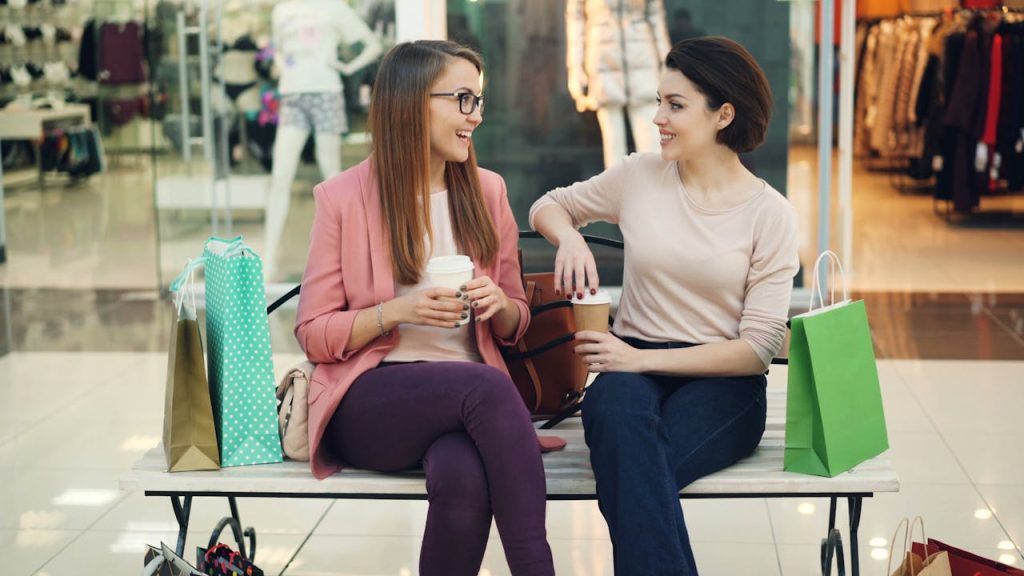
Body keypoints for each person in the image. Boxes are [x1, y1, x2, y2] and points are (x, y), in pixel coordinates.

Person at [530, 36, 799, 575]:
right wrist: (572, 237)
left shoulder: (770, 214)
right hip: (630, 368)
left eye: (675, 105)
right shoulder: (639, 176)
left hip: (723, 384)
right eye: (659, 101)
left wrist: (640, 359)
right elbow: (549, 205)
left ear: (724, 114)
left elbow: (756, 351)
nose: (657, 118)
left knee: (632, 468)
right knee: (621, 427)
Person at [294, 40, 556, 576]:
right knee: (482, 387)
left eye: (479, 101)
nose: (476, 116)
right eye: (463, 99)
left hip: (468, 407)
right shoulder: (342, 197)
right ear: (412, 101)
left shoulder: (487, 191)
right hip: (371, 400)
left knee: (463, 474)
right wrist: (398, 312)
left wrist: (499, 302)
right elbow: (314, 333)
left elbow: (516, 324)